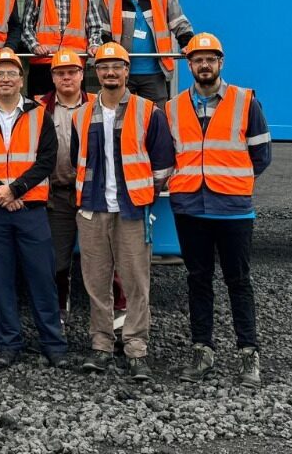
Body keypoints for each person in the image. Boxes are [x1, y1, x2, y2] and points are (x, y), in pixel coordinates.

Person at [164, 33, 272, 387]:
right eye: (198, 60)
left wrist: (232, 181)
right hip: (190, 208)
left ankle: (248, 354)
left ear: (220, 63)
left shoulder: (245, 101)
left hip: (233, 209)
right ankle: (202, 350)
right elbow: (168, 155)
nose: (204, 65)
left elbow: (261, 155)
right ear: (189, 65)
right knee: (198, 280)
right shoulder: (173, 107)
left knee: (238, 281)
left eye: (210, 59)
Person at [72, 43, 177, 382]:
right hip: (93, 209)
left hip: (132, 210)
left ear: (127, 71)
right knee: (96, 282)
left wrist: (145, 193)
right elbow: (77, 159)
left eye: (117, 66)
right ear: (96, 72)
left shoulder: (148, 112)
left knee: (136, 283)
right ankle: (101, 345)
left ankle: (135, 348)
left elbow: (163, 163)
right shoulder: (80, 115)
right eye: (104, 67)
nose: (110, 72)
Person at [0, 49, 70, 369]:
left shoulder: (40, 114)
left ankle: (53, 344)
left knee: (42, 278)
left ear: (22, 80)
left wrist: (16, 189)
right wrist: (2, 192)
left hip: (31, 210)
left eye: (12, 73)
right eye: (0, 74)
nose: (6, 79)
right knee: (1, 280)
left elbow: (47, 160)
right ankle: (9, 344)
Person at [37, 48, 121, 322]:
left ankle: (115, 313)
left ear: (82, 75)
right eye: (60, 73)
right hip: (57, 195)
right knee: (57, 257)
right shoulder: (38, 108)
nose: (66, 77)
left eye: (72, 72)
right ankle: (60, 309)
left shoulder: (99, 104)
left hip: (93, 195)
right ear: (52, 77)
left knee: (104, 256)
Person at [100, 0, 194, 102]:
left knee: (156, 114)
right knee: (120, 115)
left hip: (154, 73)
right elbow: (103, 34)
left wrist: (187, 43)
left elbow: (179, 23)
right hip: (120, 73)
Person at [22, 0, 106, 97]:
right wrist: (35, 46)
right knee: (41, 108)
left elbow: (95, 27)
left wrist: (94, 45)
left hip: (74, 66)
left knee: (75, 107)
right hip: (43, 65)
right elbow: (26, 27)